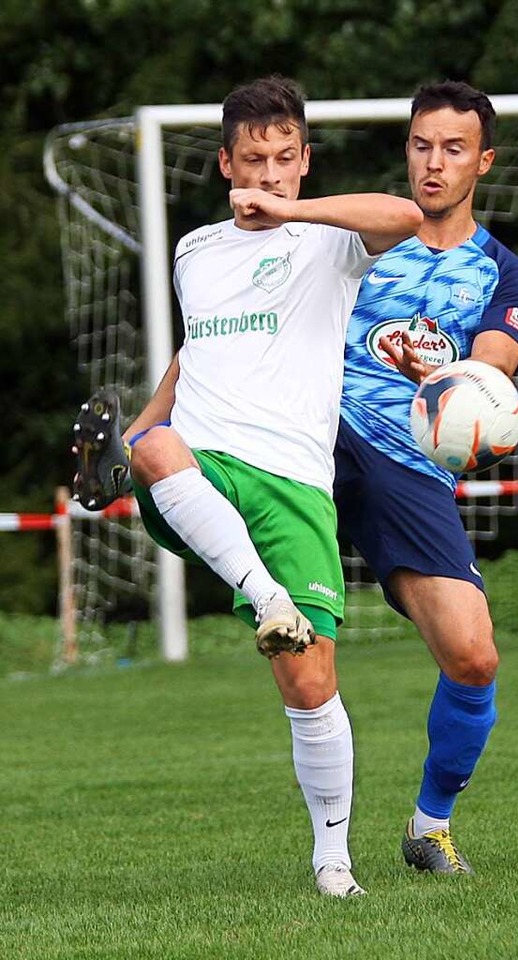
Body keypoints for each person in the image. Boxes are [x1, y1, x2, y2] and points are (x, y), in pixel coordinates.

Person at [71, 75, 423, 898]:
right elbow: (193, 358)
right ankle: (266, 597)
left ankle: (332, 860)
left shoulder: (327, 238)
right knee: (158, 447)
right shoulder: (194, 250)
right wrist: (129, 441)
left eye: (283, 159)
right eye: (253, 160)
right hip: (206, 460)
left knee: (311, 683)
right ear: (225, 162)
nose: (267, 174)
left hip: (295, 482)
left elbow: (406, 218)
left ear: (305, 162)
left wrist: (296, 212)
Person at [334, 80, 518, 875]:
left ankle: (429, 827)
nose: (433, 161)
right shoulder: (364, 240)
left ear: (482, 161)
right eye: (422, 144)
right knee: (194, 473)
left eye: (453, 148)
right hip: (317, 429)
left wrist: (462, 386)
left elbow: (493, 368)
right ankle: (146, 474)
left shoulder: (506, 276)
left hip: (407, 461)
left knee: (474, 655)